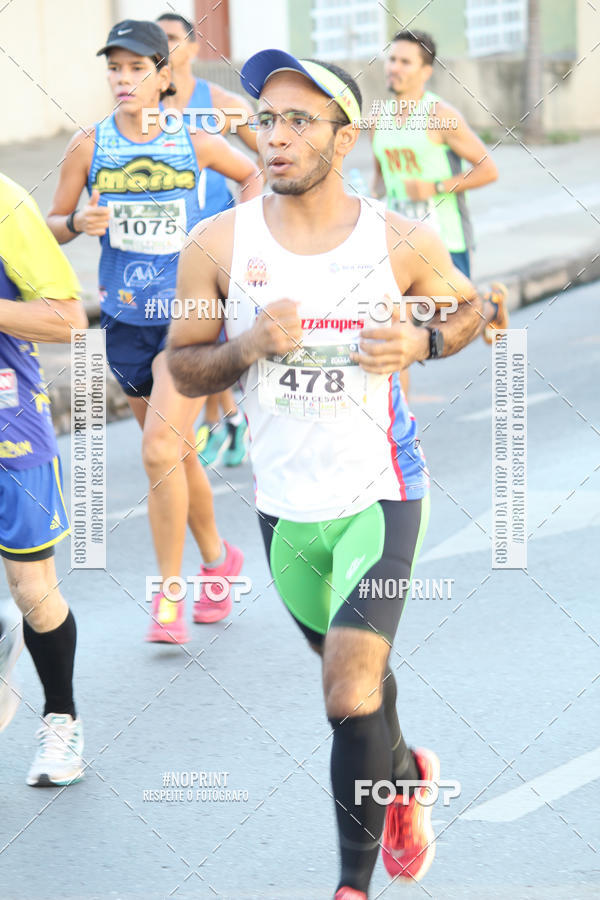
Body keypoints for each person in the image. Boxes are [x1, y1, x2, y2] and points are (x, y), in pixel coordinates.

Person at [166, 50, 507, 897]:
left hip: (379, 492)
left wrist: (423, 342)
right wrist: (245, 346)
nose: (274, 137)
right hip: (285, 509)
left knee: (348, 686)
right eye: (265, 120)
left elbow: (476, 309)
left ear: (344, 137)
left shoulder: (399, 238)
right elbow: (183, 368)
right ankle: (406, 778)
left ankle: (351, 887)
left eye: (298, 121)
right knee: (359, 693)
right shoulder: (215, 244)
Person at [47, 20, 262, 643]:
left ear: (163, 77)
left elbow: (251, 177)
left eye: (137, 68)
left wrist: (227, 241)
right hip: (124, 320)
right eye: (114, 68)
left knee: (160, 453)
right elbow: (54, 222)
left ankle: (169, 594)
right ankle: (220, 561)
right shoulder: (89, 145)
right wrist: (76, 221)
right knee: (176, 455)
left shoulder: (193, 139)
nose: (123, 79)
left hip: (189, 321)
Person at [0, 171, 88, 786]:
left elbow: (67, 319)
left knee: (32, 591)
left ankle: (62, 720)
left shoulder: (4, 201)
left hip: (9, 427)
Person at [157, 11, 255, 467]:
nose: (165, 46)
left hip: (214, 246)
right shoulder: (143, 108)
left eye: (173, 38)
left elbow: (267, 152)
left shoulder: (216, 100)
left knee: (210, 338)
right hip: (162, 252)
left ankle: (229, 419)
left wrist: (247, 220)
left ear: (195, 48)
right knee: (190, 344)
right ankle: (225, 419)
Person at [371, 30, 498, 280]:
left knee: (455, 318)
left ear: (425, 72)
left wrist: (435, 186)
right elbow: (381, 177)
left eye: (405, 62)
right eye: (392, 59)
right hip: (398, 242)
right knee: (403, 318)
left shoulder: (440, 115)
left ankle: (492, 309)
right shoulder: (377, 119)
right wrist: (370, 199)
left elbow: (488, 170)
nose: (394, 67)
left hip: (445, 242)